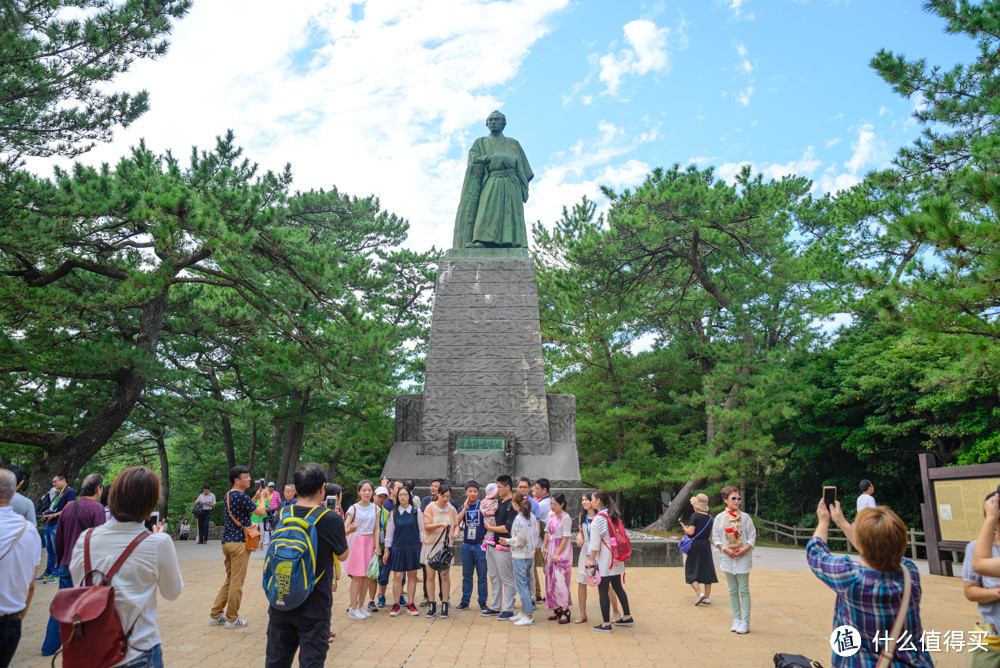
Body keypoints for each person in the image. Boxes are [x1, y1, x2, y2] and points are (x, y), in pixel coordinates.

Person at [70, 466, 183, 667]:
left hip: (92, 649)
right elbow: (172, 592)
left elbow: (78, 583)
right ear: (151, 503)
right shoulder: (158, 543)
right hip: (137, 650)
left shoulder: (85, 539)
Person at [808, 498, 933, 667]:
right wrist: (841, 522)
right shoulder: (909, 572)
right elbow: (880, 550)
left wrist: (824, 521)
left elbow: (816, 553)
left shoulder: (851, 577)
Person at [264, 463, 348, 668]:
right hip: (315, 605)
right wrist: (345, 530)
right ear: (322, 489)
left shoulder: (283, 514)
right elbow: (343, 555)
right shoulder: (331, 519)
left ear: (296, 488)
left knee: (276, 662)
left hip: (281, 599)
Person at [42, 473, 106, 656]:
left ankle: (49, 646)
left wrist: (60, 560)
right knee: (89, 607)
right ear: (98, 489)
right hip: (87, 567)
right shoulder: (97, 509)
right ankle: (85, 646)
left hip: (66, 564)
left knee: (62, 605)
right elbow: (98, 541)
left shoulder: (69, 508)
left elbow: (59, 540)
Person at [452, 110, 533, 249]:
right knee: (487, 210)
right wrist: (490, 158)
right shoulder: (480, 142)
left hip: (511, 182)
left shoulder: (514, 143)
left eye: (497, 119)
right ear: (487, 124)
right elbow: (473, 160)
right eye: (491, 120)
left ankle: (512, 241)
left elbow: (525, 170)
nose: (493, 122)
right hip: (491, 179)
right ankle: (482, 240)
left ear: (503, 123)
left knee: (510, 211)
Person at [209, 465, 266, 629]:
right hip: (240, 542)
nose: (249, 479)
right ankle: (232, 618)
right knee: (237, 581)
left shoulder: (230, 495)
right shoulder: (240, 496)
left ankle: (216, 615)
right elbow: (261, 512)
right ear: (237, 480)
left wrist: (255, 497)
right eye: (246, 477)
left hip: (227, 542)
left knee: (229, 580)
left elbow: (247, 509)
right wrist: (262, 497)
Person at [0, 468, 42, 668]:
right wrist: (19, 617)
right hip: (10, 623)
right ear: (14, 491)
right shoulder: (29, 531)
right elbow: (31, 584)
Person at [586, 489, 633, 632]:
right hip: (616, 555)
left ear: (598, 501)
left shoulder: (598, 520)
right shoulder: (611, 514)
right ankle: (627, 616)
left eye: (592, 499)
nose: (591, 501)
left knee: (603, 590)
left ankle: (606, 623)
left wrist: (591, 560)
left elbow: (594, 544)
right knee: (618, 586)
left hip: (606, 558)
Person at [711, 485, 755, 634]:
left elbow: (752, 537)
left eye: (738, 498)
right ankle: (736, 618)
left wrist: (745, 549)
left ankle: (745, 621)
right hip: (728, 558)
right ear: (725, 500)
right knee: (732, 590)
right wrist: (725, 549)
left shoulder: (746, 518)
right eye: (733, 498)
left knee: (744, 589)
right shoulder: (719, 518)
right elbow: (716, 538)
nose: (737, 501)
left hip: (743, 558)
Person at [963, 491, 1000, 668]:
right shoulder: (973, 548)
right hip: (993, 637)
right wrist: (996, 592)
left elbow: (980, 563)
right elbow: (970, 590)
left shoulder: (978, 553)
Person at [384, 486, 423, 617]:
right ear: (397, 497)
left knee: (412, 575)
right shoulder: (393, 513)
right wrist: (386, 551)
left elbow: (421, 532)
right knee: (397, 576)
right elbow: (389, 534)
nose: (402, 497)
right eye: (400, 494)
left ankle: (411, 603)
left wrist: (422, 549)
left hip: (413, 547)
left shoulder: (416, 512)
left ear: (409, 497)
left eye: (405, 494)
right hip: (398, 548)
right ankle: (396, 604)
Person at [422, 482, 459, 618]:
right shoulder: (430, 507)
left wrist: (455, 533)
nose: (445, 499)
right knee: (430, 576)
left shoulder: (452, 509)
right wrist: (441, 525)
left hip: (445, 546)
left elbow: (456, 525)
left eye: (448, 496)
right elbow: (426, 526)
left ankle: (445, 604)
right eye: (443, 496)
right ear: (438, 494)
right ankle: (432, 604)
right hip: (431, 545)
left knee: (444, 576)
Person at [344, 479, 379, 620]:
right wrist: (350, 529)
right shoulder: (353, 508)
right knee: (357, 577)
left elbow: (377, 528)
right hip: (356, 541)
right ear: (358, 492)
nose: (367, 493)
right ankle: (353, 608)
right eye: (364, 490)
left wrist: (377, 547)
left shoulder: (376, 508)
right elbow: (344, 529)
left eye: (369, 490)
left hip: (369, 541)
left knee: (366, 576)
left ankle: (361, 606)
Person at [484, 475, 517, 620]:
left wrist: (492, 527)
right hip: (491, 544)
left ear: (507, 487)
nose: (497, 490)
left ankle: (508, 608)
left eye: (499, 487)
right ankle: (495, 606)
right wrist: (492, 523)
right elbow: (497, 522)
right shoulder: (498, 503)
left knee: (506, 577)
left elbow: (508, 528)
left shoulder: (513, 504)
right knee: (493, 577)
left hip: (503, 545)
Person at [455, 480, 488, 612]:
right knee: (467, 575)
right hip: (467, 545)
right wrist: (464, 508)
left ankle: (483, 601)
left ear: (478, 492)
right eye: (470, 491)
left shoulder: (483, 506)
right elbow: (456, 521)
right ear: (466, 492)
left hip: (481, 545)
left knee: (482, 576)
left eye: (475, 491)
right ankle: (465, 601)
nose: (472, 494)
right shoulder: (464, 507)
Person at [38, 474, 76, 582]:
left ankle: (57, 572)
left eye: (55, 481)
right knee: (49, 549)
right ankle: (48, 571)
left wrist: (54, 515)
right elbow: (54, 506)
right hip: (50, 523)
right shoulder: (58, 493)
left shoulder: (70, 492)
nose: (53, 484)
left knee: (57, 549)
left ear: (63, 480)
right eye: (53, 482)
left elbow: (70, 508)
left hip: (58, 524)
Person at [509, 491, 538, 626]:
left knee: (522, 587)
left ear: (515, 504)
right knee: (525, 584)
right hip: (529, 555)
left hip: (520, 556)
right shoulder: (531, 516)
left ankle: (528, 615)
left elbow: (520, 540)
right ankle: (525, 611)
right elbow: (535, 535)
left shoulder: (519, 519)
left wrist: (508, 541)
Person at [543, 492, 573, 623]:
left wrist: (557, 554)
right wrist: (544, 546)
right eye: (551, 504)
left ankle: (565, 609)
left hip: (562, 550)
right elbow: (546, 531)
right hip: (550, 548)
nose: (552, 507)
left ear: (562, 504)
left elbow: (566, 537)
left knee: (560, 579)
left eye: (555, 504)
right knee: (550, 578)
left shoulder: (566, 518)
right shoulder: (550, 514)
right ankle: (557, 608)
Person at [683, 493, 717, 606]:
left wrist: (686, 529)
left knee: (690, 569)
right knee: (707, 568)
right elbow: (710, 534)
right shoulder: (709, 518)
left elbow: (691, 532)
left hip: (696, 544)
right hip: (706, 544)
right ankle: (707, 597)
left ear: (696, 506)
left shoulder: (695, 516)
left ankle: (699, 593)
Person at [369, 486, 392, 610]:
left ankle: (378, 597)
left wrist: (386, 549)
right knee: (364, 576)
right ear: (374, 496)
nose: (381, 499)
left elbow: (387, 532)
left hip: (381, 547)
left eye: (384, 497)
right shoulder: (366, 509)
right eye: (379, 497)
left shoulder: (386, 512)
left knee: (379, 574)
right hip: (367, 545)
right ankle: (361, 600)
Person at [533, 478, 551, 602]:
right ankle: (549, 594)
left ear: (544, 490)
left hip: (540, 543)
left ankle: (537, 593)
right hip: (550, 542)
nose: (535, 490)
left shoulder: (541, 505)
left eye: (537, 488)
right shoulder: (550, 502)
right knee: (548, 570)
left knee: (531, 567)